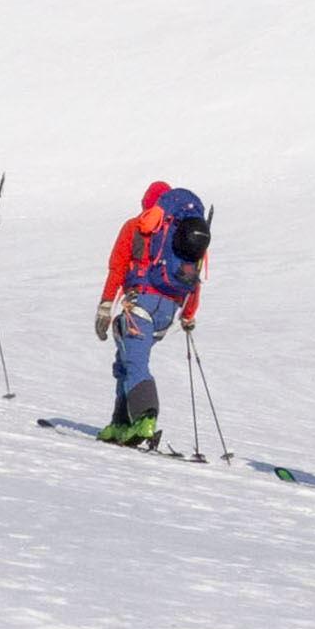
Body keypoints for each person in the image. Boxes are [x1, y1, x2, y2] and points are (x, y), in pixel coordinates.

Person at [92, 182, 210, 446]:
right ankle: (120, 422)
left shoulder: (136, 226)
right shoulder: (183, 233)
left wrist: (105, 306)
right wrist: (188, 314)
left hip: (140, 303)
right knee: (125, 359)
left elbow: (117, 267)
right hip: (167, 312)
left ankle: (145, 418)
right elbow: (195, 278)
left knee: (134, 361)